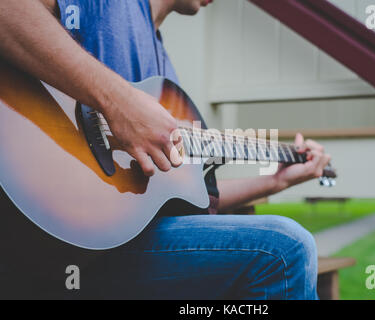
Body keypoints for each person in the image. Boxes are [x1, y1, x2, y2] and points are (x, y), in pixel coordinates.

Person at [0, 0, 331, 299]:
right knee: (283, 250)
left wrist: (276, 182)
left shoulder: (166, 76)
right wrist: (117, 101)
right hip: (62, 249)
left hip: (120, 242)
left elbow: (186, 197)